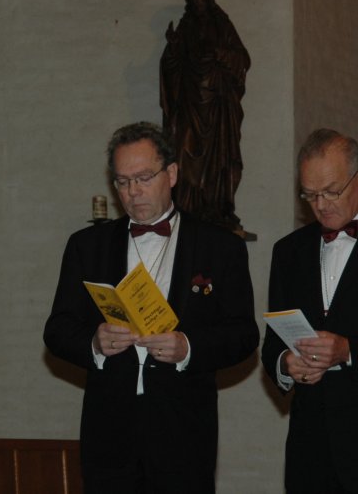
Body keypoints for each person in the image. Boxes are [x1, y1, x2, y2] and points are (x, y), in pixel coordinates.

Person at [44, 122, 258, 493]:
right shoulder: (87, 246)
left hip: (184, 431)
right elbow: (57, 329)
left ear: (171, 174)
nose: (133, 191)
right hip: (109, 433)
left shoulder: (219, 246)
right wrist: (94, 343)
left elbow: (243, 333)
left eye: (143, 178)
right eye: (123, 181)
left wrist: (188, 347)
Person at [262, 129, 358, 494]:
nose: (321, 205)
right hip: (310, 450)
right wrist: (286, 364)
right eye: (310, 195)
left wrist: (349, 351)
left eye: (331, 191)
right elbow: (272, 345)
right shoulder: (289, 252)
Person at [160, 0, 250, 233]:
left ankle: (216, 207)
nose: (196, 1)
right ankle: (186, 208)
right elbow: (170, 66)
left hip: (217, 105)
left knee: (219, 156)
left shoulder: (222, 24)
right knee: (182, 152)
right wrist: (173, 48)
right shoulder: (185, 27)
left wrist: (220, 53)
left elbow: (242, 58)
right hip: (190, 104)